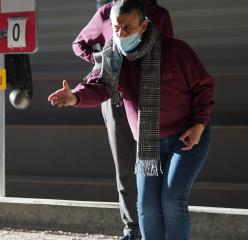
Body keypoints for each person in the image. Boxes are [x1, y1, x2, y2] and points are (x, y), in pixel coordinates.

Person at [48, 0, 215, 239]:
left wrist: (199, 124)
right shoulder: (114, 56)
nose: (121, 33)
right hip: (149, 142)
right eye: (116, 28)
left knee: (171, 200)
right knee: (146, 207)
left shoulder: (176, 51)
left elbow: (204, 88)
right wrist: (74, 97)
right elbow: (99, 85)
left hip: (186, 136)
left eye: (128, 28)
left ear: (144, 25)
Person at [71, 0, 173, 239]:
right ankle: (132, 229)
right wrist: (103, 61)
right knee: (126, 169)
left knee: (153, 165)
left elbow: (169, 53)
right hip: (114, 97)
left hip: (148, 98)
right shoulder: (107, 12)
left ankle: (156, 228)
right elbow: (79, 43)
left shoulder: (159, 14)